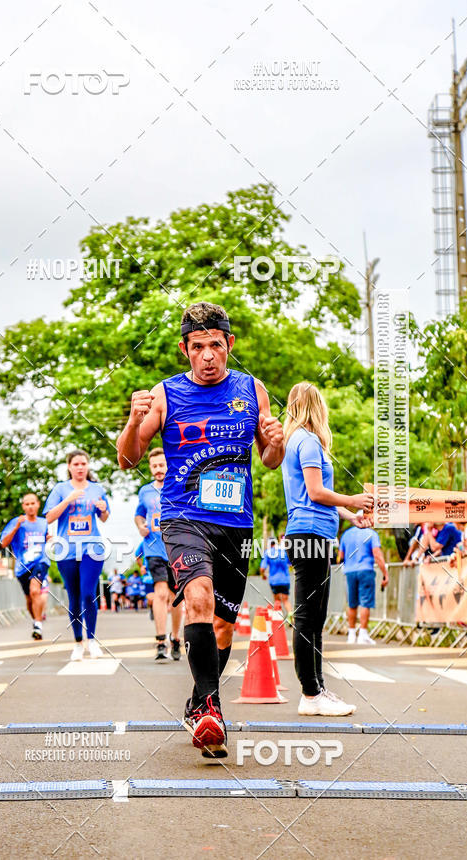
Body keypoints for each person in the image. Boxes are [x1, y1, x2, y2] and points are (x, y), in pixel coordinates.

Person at [117, 301, 285, 758]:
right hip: (182, 515)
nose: (208, 355)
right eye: (198, 347)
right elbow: (129, 458)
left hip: (236, 521)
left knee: (225, 625)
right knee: (198, 598)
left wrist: (276, 444)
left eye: (215, 345)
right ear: (184, 350)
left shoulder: (253, 389)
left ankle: (197, 703)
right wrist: (133, 422)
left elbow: (269, 460)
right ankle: (212, 709)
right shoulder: (166, 393)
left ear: (229, 344)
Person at [282, 381, 374, 717]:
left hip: (314, 532)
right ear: (315, 407)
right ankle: (310, 693)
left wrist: (352, 515)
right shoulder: (307, 442)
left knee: (315, 617)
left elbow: (318, 497)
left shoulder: (298, 441)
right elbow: (317, 492)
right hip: (310, 534)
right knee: (308, 618)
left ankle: (317, 688)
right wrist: (352, 499)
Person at [44, 449, 110, 660]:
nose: (80, 467)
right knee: (74, 597)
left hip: (93, 548)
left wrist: (102, 509)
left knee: (89, 593)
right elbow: (49, 517)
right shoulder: (60, 489)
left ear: (87, 466)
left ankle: (92, 640)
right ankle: (78, 642)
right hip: (67, 549)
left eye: (83, 464)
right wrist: (68, 500)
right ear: (69, 467)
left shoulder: (97, 488)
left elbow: (105, 517)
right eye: (76, 464)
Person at [135, 447, 183, 661]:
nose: (158, 469)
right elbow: (138, 515)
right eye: (154, 466)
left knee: (176, 598)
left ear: (168, 464)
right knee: (160, 593)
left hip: (177, 549)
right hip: (153, 549)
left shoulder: (179, 485)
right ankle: (160, 641)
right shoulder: (145, 491)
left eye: (161, 465)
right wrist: (140, 526)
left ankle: (176, 639)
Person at [1, 493, 49, 641]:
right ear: (23, 506)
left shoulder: (44, 522)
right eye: (27, 504)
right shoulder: (17, 522)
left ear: (38, 504)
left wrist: (50, 540)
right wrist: (16, 528)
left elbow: (48, 538)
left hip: (41, 561)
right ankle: (36, 620)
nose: (30, 506)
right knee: (29, 598)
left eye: (32, 503)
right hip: (22, 566)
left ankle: (39, 625)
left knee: (35, 591)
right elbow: (4, 543)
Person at [338, 523, 388, 645]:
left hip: (349, 571)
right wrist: (385, 573)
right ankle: (363, 634)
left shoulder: (346, 534)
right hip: (365, 569)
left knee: (352, 603)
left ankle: (351, 635)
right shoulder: (371, 534)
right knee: (365, 602)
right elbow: (377, 554)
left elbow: (341, 556)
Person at [260, 533, 292, 617]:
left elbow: (262, 568)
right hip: (285, 580)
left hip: (274, 581)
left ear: (269, 544)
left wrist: (263, 575)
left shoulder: (267, 553)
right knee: (286, 600)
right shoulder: (284, 552)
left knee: (277, 601)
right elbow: (291, 563)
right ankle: (290, 614)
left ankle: (278, 619)